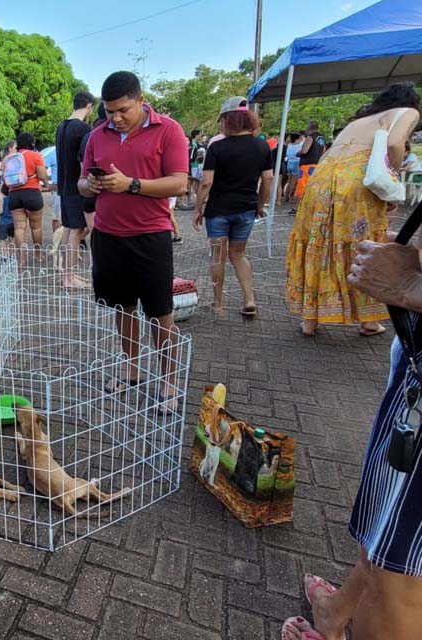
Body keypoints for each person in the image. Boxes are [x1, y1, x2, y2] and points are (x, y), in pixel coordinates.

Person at [281, 234, 422, 640]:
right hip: (413, 376)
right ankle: (335, 611)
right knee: (382, 533)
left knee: (400, 577)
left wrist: (411, 286)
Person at [78, 71, 188, 413]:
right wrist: (90, 187)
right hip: (108, 236)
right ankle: (131, 368)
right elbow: (81, 182)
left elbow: (178, 184)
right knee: (122, 308)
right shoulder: (98, 135)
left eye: (123, 109)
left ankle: (168, 381)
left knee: (160, 313)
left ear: (141, 100)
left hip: (150, 236)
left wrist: (132, 184)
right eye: (109, 111)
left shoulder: (168, 130)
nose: (116, 118)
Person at [286, 83, 420, 337]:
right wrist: (392, 180)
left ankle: (310, 320)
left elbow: (328, 155)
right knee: (364, 244)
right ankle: (368, 320)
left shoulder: (358, 121)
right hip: (356, 181)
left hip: (321, 181)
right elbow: (394, 144)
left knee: (318, 243)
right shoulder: (406, 112)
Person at [193, 97, 274, 315]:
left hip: (218, 210)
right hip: (246, 209)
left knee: (218, 256)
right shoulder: (262, 146)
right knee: (239, 254)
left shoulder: (217, 147)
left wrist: (198, 208)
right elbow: (268, 179)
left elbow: (207, 182)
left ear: (228, 121)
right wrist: (260, 204)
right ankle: (249, 300)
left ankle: (218, 304)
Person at [55, 90, 96, 288]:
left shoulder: (61, 126)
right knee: (76, 231)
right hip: (76, 187)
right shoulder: (82, 129)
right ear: (89, 106)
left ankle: (67, 274)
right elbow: (84, 161)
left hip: (63, 187)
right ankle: (69, 277)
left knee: (69, 230)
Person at [6, 132, 49, 265]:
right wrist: (47, 183)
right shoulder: (35, 155)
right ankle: (38, 255)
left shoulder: (10, 157)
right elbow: (42, 175)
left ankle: (22, 259)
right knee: (35, 227)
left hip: (14, 194)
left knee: (19, 228)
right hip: (32, 193)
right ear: (32, 143)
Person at [294, 121, 327, 200]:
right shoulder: (322, 138)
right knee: (314, 185)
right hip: (317, 165)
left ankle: (301, 206)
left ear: (308, 128)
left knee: (303, 186)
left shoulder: (310, 137)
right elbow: (324, 151)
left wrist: (298, 153)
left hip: (307, 165)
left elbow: (305, 150)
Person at [41, 144, 60, 232]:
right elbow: (42, 167)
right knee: (57, 216)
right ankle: (56, 242)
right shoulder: (53, 152)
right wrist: (47, 184)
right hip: (58, 188)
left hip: (71, 187)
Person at [283, 132, 304, 204]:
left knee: (289, 181)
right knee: (293, 182)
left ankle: (286, 197)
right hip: (296, 163)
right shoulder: (300, 145)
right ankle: (290, 197)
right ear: (297, 139)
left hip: (289, 163)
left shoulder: (289, 145)